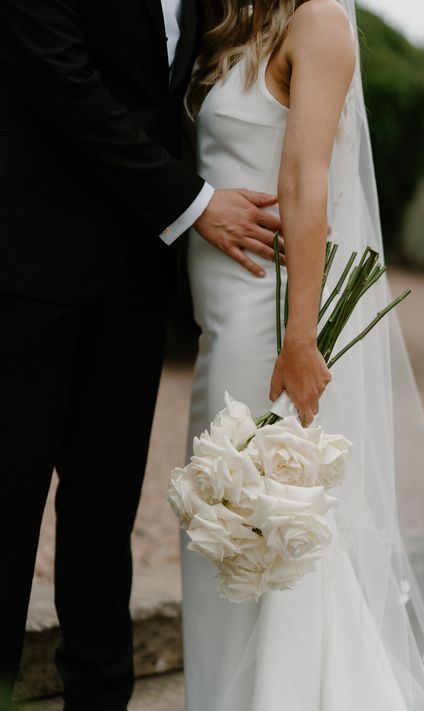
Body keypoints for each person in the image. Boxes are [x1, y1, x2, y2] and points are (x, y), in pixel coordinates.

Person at [181, 1, 424, 710]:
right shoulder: (241, 26)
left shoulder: (317, 20)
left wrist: (300, 336)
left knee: (270, 524)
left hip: (268, 320)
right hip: (221, 321)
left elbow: (308, 180)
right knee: (229, 527)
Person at [0, 1, 283, 709]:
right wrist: (192, 202)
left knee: (104, 519)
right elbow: (63, 85)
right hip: (27, 275)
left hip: (133, 285)